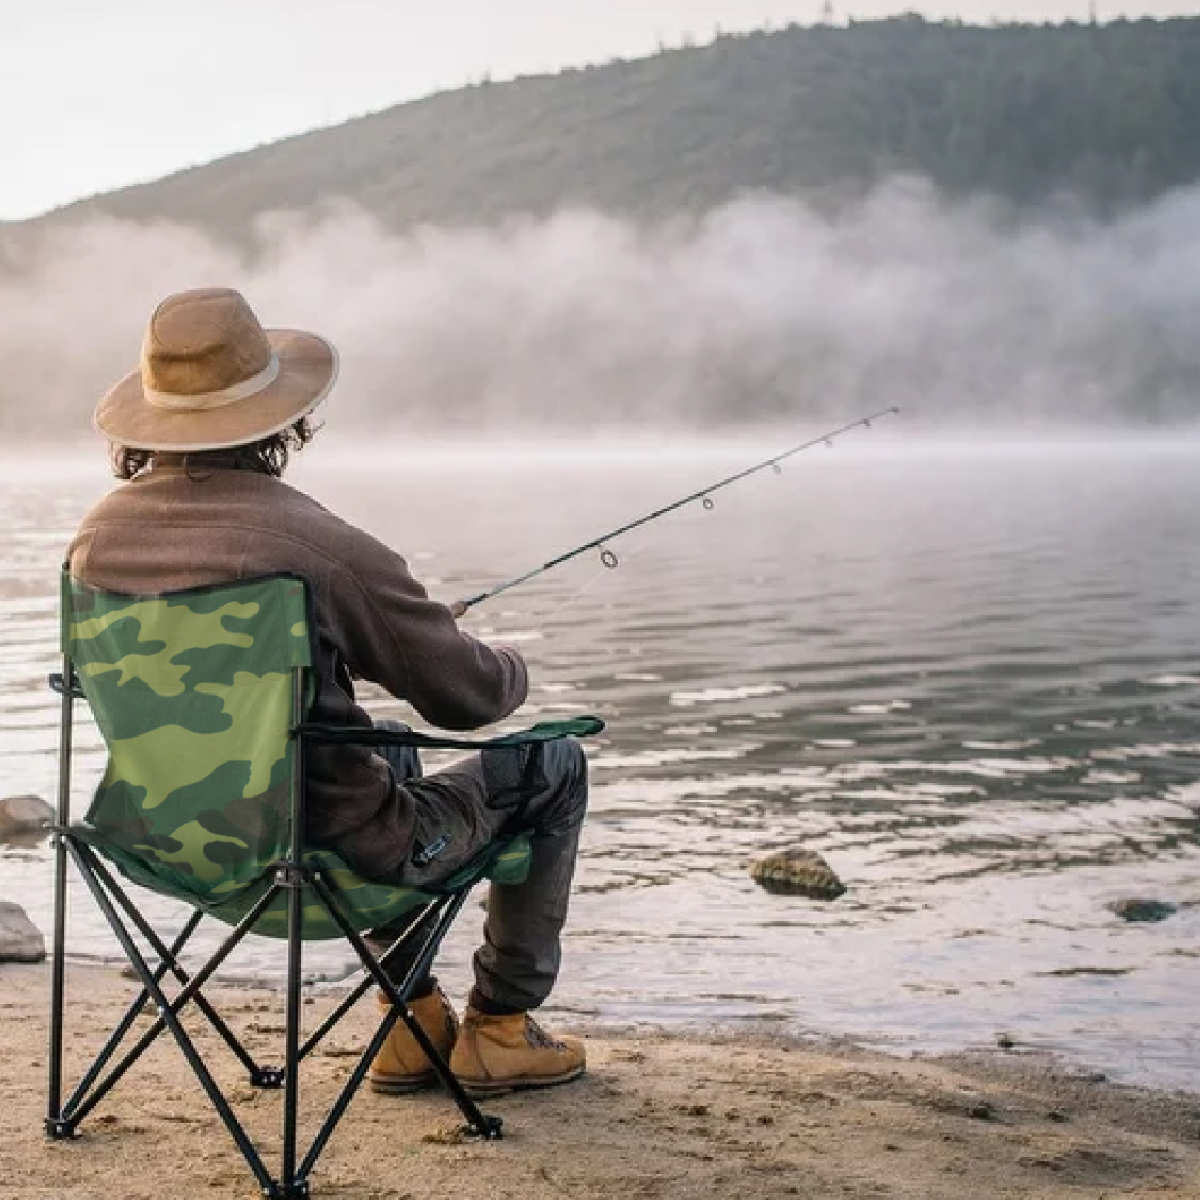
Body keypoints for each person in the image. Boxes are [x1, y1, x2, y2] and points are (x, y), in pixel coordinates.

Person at [68, 286, 589, 1096]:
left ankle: (411, 1021)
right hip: (330, 861)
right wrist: (506, 656)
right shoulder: (317, 545)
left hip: (183, 856)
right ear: (279, 419)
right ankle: (501, 1028)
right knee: (553, 763)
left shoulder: (93, 544)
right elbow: (472, 699)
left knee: (376, 745)